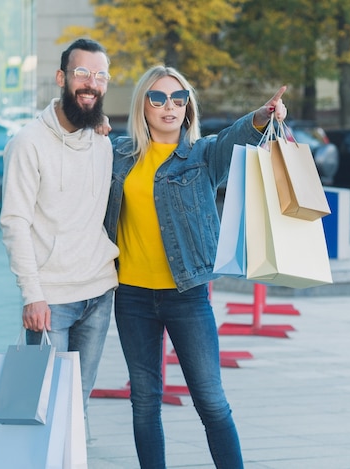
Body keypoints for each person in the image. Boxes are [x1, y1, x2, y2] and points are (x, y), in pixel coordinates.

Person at [104, 65, 287, 468]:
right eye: (158, 98)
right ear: (142, 106)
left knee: (210, 399)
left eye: (178, 98)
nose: (169, 106)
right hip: (131, 296)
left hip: (186, 296)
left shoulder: (202, 155)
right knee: (144, 401)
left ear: (187, 106)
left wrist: (261, 116)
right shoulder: (118, 155)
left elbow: (236, 138)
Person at [0, 38, 119, 428]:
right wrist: (33, 296)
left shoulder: (102, 143)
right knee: (42, 413)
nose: (91, 83)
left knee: (76, 411)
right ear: (61, 78)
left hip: (99, 294)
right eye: (82, 73)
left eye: (100, 75)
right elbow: (14, 223)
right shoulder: (27, 143)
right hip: (52, 304)